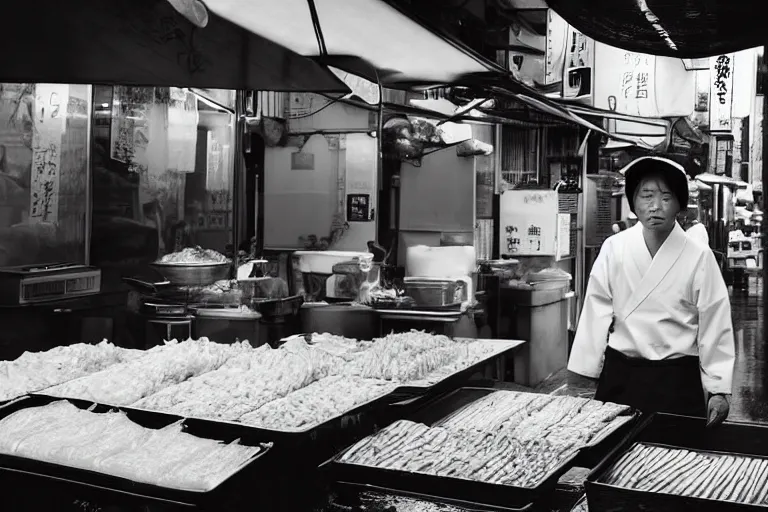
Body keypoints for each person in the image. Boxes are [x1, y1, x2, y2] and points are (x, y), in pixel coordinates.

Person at [568, 156, 734, 427]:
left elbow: (715, 322)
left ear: (680, 203)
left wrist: (718, 388)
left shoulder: (698, 256)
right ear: (633, 202)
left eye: (666, 197)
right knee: (613, 461)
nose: (655, 206)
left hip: (677, 380)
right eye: (646, 195)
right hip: (621, 376)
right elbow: (595, 312)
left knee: (675, 463)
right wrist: (584, 376)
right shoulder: (614, 248)